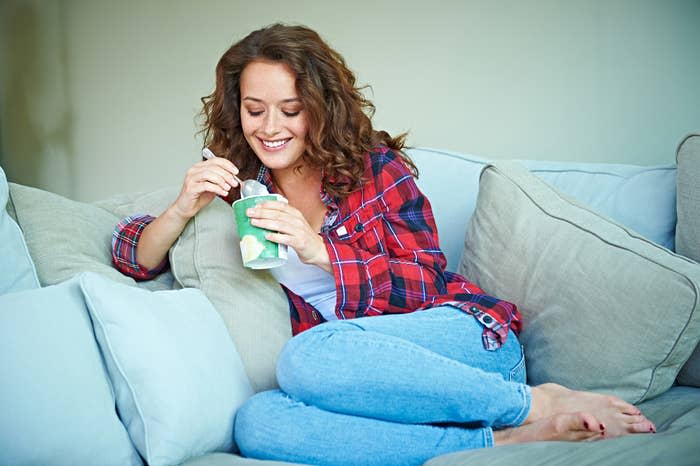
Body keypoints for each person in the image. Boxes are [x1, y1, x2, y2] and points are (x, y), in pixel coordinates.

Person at [112, 23, 656, 466]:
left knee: (305, 357)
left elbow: (424, 282)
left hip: (461, 342)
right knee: (258, 422)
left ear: (319, 107)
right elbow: (131, 254)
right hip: (370, 378)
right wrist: (182, 208)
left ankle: (534, 399)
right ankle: (502, 441)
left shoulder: (373, 169)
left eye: (290, 108)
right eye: (255, 110)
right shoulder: (239, 185)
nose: (270, 127)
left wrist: (318, 248)